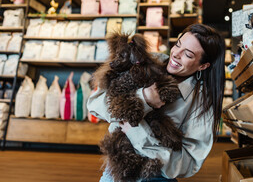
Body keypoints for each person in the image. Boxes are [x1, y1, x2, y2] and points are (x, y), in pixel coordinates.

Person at [87, 24, 225, 182]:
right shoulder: (145, 61)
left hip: (156, 175)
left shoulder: (201, 102)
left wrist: (137, 132)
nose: (176, 55)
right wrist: (144, 99)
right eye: (177, 45)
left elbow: (189, 163)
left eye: (188, 54)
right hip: (115, 169)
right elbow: (94, 104)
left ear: (203, 65)